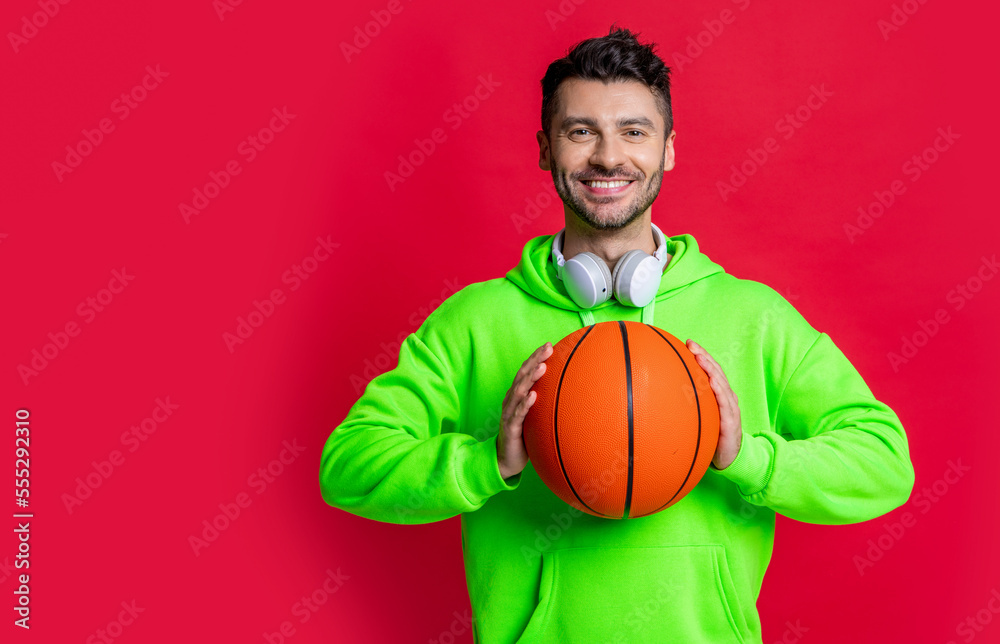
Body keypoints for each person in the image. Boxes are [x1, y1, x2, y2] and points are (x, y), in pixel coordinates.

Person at [319, 24, 915, 644]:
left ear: (669, 150)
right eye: (581, 132)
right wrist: (487, 459)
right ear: (547, 149)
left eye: (634, 131)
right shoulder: (475, 320)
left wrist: (748, 457)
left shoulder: (753, 316)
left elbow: (883, 462)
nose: (608, 157)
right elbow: (350, 465)